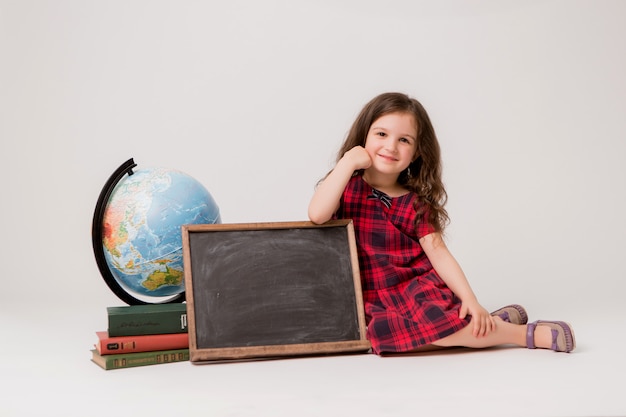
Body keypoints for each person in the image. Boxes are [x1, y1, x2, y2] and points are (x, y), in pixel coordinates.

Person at [308, 92, 575, 355]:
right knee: (384, 336)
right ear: (363, 136)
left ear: (415, 153)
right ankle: (490, 326)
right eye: (381, 134)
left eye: (404, 140)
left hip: (415, 288)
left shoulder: (414, 203)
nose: (391, 146)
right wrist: (348, 162)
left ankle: (522, 335)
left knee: (435, 324)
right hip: (373, 296)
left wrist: (470, 299)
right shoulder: (345, 186)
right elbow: (318, 215)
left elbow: (439, 253)